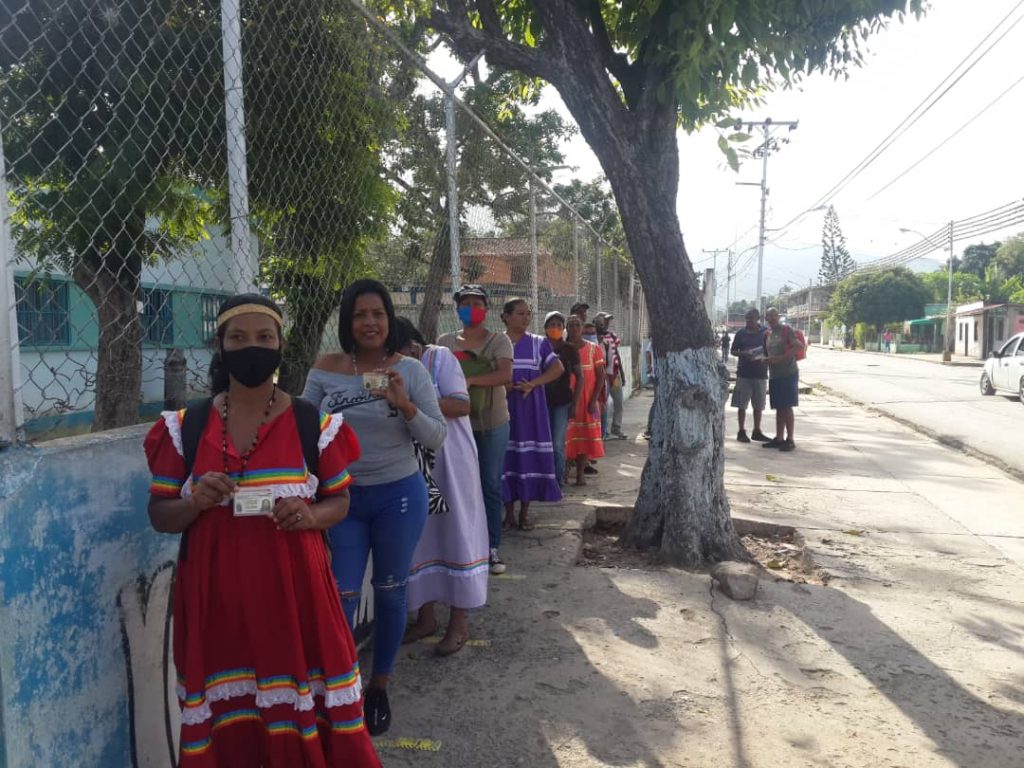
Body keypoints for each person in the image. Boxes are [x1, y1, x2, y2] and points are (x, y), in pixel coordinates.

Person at [143, 294, 381, 766]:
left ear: (280, 345)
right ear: (220, 345)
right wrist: (194, 502)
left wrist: (311, 516)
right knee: (232, 719)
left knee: (303, 707)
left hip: (298, 598)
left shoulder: (313, 424)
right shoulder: (185, 428)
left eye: (264, 336)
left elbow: (339, 501)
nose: (251, 346)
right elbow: (160, 515)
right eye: (238, 337)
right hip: (218, 604)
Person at [302, 279, 446, 736]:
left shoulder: (411, 370)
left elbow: (437, 437)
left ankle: (379, 686)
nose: (369, 322)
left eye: (378, 314)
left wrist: (404, 405)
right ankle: (341, 688)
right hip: (342, 499)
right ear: (347, 321)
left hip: (398, 496)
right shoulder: (325, 369)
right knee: (342, 594)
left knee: (390, 590)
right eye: (360, 314)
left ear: (389, 319)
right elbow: (300, 431)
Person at [394, 319, 489, 658]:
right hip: (414, 463)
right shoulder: (388, 369)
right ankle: (426, 618)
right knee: (420, 537)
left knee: (457, 534)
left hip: (451, 462)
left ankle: (458, 624)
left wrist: (409, 402)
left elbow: (461, 405)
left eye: (398, 354)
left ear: (412, 347)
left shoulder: (439, 358)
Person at [437, 285, 514, 575]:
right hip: (456, 425)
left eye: (477, 303)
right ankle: (461, 546)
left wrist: (470, 381)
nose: (472, 308)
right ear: (457, 308)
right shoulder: (445, 342)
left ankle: (491, 547)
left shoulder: (498, 341)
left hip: (491, 423)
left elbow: (505, 374)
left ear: (487, 308)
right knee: (457, 486)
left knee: (489, 484)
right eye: (466, 303)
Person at [500, 298, 564, 529]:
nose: (526, 318)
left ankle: (525, 513)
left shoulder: (539, 343)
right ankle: (508, 513)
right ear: (506, 316)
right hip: (502, 410)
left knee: (527, 459)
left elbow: (557, 368)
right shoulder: (496, 342)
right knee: (506, 458)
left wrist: (534, 383)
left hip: (531, 411)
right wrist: (501, 385)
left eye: (528, 313)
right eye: (520, 313)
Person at [565, 315, 606, 485]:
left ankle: (580, 474)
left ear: (582, 327)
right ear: (566, 328)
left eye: (577, 325)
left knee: (584, 437)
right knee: (566, 437)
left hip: (587, 401)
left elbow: (601, 377)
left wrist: (594, 400)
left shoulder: (593, 349)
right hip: (567, 400)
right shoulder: (562, 349)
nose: (574, 328)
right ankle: (564, 473)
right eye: (571, 325)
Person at [543, 311, 581, 487]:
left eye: (559, 325)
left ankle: (557, 482)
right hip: (541, 402)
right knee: (542, 442)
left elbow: (580, 378)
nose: (555, 328)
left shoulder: (569, 349)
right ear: (545, 328)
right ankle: (543, 479)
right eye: (552, 325)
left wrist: (574, 404)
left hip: (562, 402)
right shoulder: (539, 346)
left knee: (557, 444)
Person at [762, 307, 805, 452]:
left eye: (774, 315)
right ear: (766, 318)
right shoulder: (767, 334)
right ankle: (779, 438)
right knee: (779, 407)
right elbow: (766, 353)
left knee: (787, 407)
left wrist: (781, 358)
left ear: (778, 316)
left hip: (788, 373)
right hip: (775, 375)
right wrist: (764, 359)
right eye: (769, 316)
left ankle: (790, 439)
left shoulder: (786, 330)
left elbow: (798, 346)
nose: (772, 318)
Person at [730, 308, 771, 443]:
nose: (749, 321)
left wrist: (765, 356)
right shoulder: (740, 333)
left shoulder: (765, 332)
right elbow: (733, 351)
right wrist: (744, 353)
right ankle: (741, 431)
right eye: (747, 318)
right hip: (744, 373)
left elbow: (771, 348)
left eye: (752, 318)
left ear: (758, 318)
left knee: (758, 405)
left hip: (760, 373)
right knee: (741, 404)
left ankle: (757, 431)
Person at [595, 312, 626, 440]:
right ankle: (604, 431)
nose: (606, 323)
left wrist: (622, 373)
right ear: (597, 322)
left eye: (608, 321)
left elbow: (616, 354)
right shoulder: (593, 337)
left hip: (614, 373)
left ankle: (616, 428)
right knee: (604, 404)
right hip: (602, 375)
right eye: (604, 321)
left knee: (619, 402)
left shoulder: (612, 336)